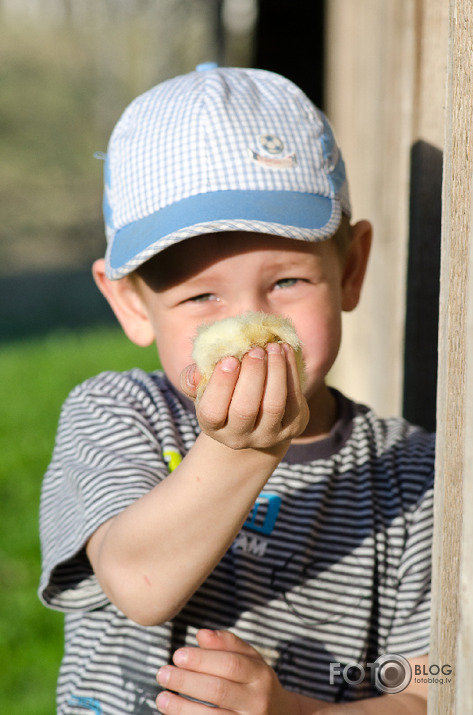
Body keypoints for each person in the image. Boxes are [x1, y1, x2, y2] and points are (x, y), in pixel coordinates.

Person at [39, 65, 434, 714]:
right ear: (130, 305)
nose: (250, 326)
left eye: (286, 282)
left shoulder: (415, 475)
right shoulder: (116, 414)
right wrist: (241, 450)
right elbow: (139, 583)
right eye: (200, 294)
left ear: (351, 269)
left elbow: (432, 688)